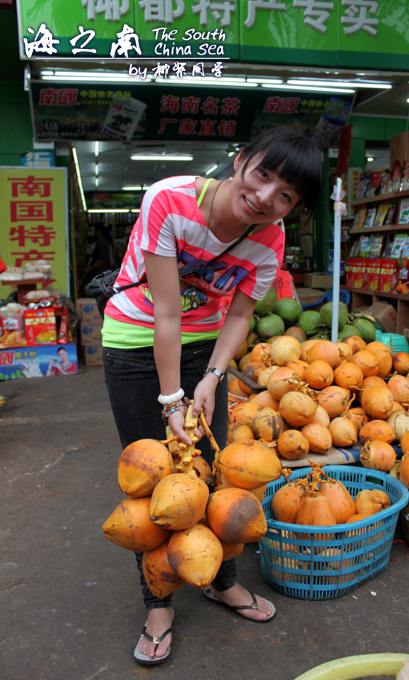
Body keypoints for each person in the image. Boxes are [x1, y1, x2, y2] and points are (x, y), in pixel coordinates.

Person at [101, 126, 322, 666]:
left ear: (295, 207)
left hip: (204, 349)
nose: (266, 197)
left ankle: (219, 581)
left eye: (286, 195)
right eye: (263, 174)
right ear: (241, 160)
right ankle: (158, 605)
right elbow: (167, 313)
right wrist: (172, 398)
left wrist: (213, 378)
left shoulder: (269, 238)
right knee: (153, 480)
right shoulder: (169, 201)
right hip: (136, 342)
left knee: (213, 469)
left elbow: (242, 313)